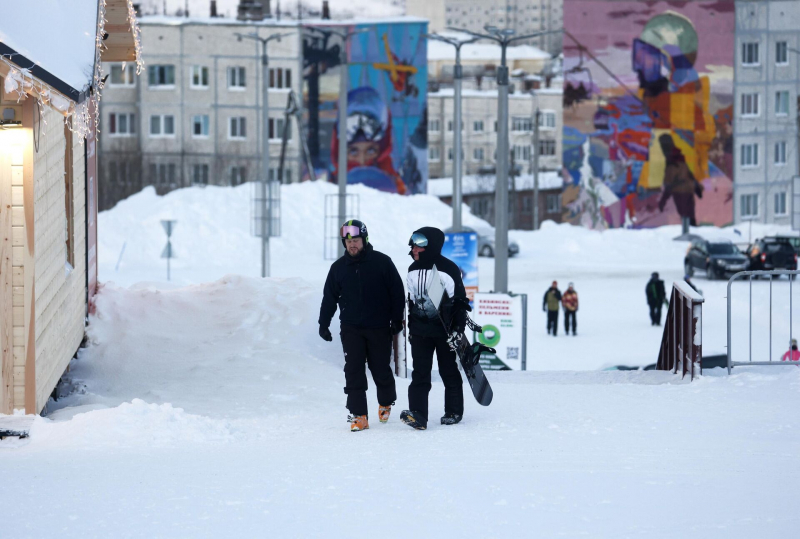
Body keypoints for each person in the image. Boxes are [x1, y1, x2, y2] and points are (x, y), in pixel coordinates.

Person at [318, 220, 406, 432]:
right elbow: (329, 297)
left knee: (380, 369)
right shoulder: (338, 268)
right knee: (353, 371)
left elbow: (397, 292)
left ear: (364, 240)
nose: (352, 245)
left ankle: (386, 401)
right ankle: (359, 416)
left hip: (378, 327)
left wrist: (396, 320)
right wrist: (324, 323)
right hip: (351, 328)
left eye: (356, 240)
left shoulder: (382, 262)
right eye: (348, 242)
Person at [400, 227, 468, 431]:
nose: (413, 248)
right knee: (420, 374)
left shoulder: (449, 269)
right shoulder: (412, 269)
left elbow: (460, 302)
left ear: (432, 245)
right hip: (421, 331)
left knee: (449, 371)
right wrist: (411, 328)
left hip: (444, 331)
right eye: (412, 244)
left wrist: (458, 329)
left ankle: (453, 411)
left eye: (418, 244)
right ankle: (418, 415)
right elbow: (411, 301)